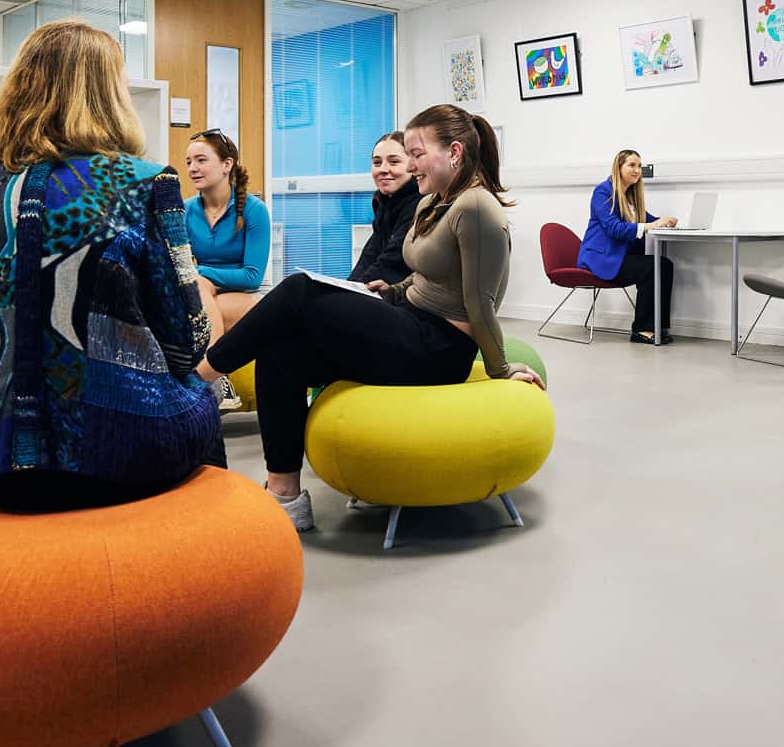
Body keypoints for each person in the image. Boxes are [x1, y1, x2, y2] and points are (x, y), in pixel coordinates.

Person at [197, 104, 544, 532]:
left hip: (439, 347)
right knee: (280, 351)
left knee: (300, 289)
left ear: (454, 152)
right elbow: (425, 275)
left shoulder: (476, 207)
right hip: (409, 322)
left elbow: (480, 301)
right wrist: (393, 290)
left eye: (416, 154)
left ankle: (201, 378)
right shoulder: (434, 202)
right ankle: (284, 497)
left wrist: (501, 368)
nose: (410, 165)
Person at [0, 18, 223, 511]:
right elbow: (186, 341)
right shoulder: (147, 182)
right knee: (202, 398)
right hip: (119, 455)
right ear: (110, 93)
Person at [183, 128, 269, 409]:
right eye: (188, 162)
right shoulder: (185, 211)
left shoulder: (254, 210)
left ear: (226, 164)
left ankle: (213, 378)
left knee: (197, 288)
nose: (193, 168)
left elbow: (252, 276)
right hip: (205, 296)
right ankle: (219, 382)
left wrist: (203, 274)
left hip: (246, 296)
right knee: (196, 297)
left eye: (201, 160)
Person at [576, 148, 677, 345]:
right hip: (601, 259)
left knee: (664, 264)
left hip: (619, 256)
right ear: (618, 167)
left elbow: (645, 220)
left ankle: (657, 326)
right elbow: (614, 228)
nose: (637, 170)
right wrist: (650, 225)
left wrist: (663, 221)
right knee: (653, 267)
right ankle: (641, 330)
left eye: (639, 166)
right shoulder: (603, 191)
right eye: (631, 165)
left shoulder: (630, 196)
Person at [349, 131, 421, 285]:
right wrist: (348, 285)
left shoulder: (419, 204)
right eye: (377, 163)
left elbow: (393, 262)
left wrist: (350, 294)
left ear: (412, 165)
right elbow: (370, 254)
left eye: (394, 162)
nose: (383, 169)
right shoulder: (384, 202)